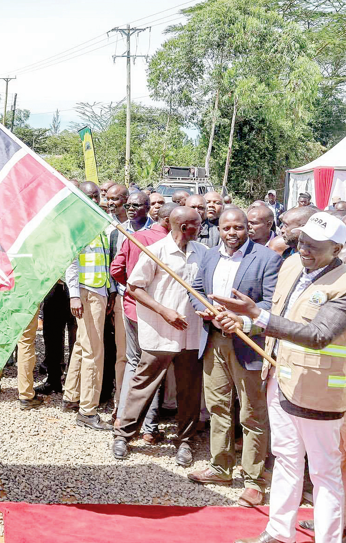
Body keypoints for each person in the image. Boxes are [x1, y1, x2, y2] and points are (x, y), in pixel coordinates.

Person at [214, 212, 346, 543]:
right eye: (301, 242)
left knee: (323, 472)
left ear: (337, 248)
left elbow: (318, 335)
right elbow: (280, 319)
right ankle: (278, 532)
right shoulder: (290, 265)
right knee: (286, 459)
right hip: (279, 379)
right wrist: (244, 324)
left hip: (320, 392)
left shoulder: (343, 283)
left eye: (315, 246)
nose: (305, 250)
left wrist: (255, 314)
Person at [186, 209, 282, 508]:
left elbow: (270, 301)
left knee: (252, 414)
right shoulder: (209, 256)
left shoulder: (267, 258)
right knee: (217, 407)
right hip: (214, 341)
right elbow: (197, 290)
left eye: (238, 227)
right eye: (226, 227)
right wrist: (205, 312)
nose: (231, 233)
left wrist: (240, 319)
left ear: (248, 229)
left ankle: (254, 480)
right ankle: (221, 467)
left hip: (248, 344)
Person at [113, 207, 207, 466]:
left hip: (192, 335)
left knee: (189, 390)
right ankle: (123, 435)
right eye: (198, 224)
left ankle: (185, 441)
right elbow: (134, 287)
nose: (202, 227)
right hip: (160, 333)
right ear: (185, 227)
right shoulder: (156, 252)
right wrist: (164, 311)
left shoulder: (203, 253)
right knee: (143, 384)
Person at [110, 202, 178, 443]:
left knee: (134, 363)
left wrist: (130, 286)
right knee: (152, 367)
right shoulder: (169, 244)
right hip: (155, 311)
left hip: (131, 305)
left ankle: (123, 415)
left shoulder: (136, 237)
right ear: (169, 221)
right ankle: (148, 427)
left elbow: (116, 269)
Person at [63, 181, 114, 431]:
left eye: (96, 197)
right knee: (95, 352)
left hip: (99, 291)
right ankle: (88, 410)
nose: (93, 201)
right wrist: (74, 295)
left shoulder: (102, 224)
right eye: (88, 197)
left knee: (83, 346)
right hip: (86, 292)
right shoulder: (78, 227)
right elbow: (71, 263)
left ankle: (71, 396)